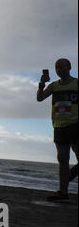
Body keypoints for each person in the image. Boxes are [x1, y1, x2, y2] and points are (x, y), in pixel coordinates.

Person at [37, 59, 78, 201]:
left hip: (75, 124)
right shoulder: (54, 86)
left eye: (62, 67)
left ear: (69, 67)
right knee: (62, 159)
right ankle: (62, 192)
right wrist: (42, 85)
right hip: (59, 125)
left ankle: (66, 182)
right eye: (56, 68)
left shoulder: (76, 83)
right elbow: (40, 98)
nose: (59, 69)